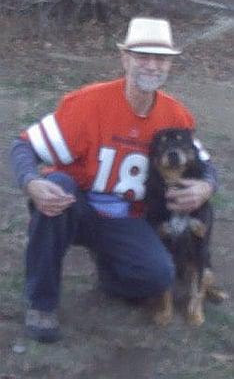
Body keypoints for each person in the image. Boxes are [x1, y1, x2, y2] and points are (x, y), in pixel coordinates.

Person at [11, 17, 218, 342]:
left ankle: (108, 265)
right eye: (142, 56)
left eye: (160, 58)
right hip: (75, 205)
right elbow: (24, 145)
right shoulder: (88, 103)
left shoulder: (176, 115)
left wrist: (207, 186)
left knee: (157, 276)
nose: (151, 65)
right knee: (56, 192)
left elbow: (206, 166)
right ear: (125, 59)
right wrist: (29, 181)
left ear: (169, 65)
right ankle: (41, 302)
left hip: (128, 219)